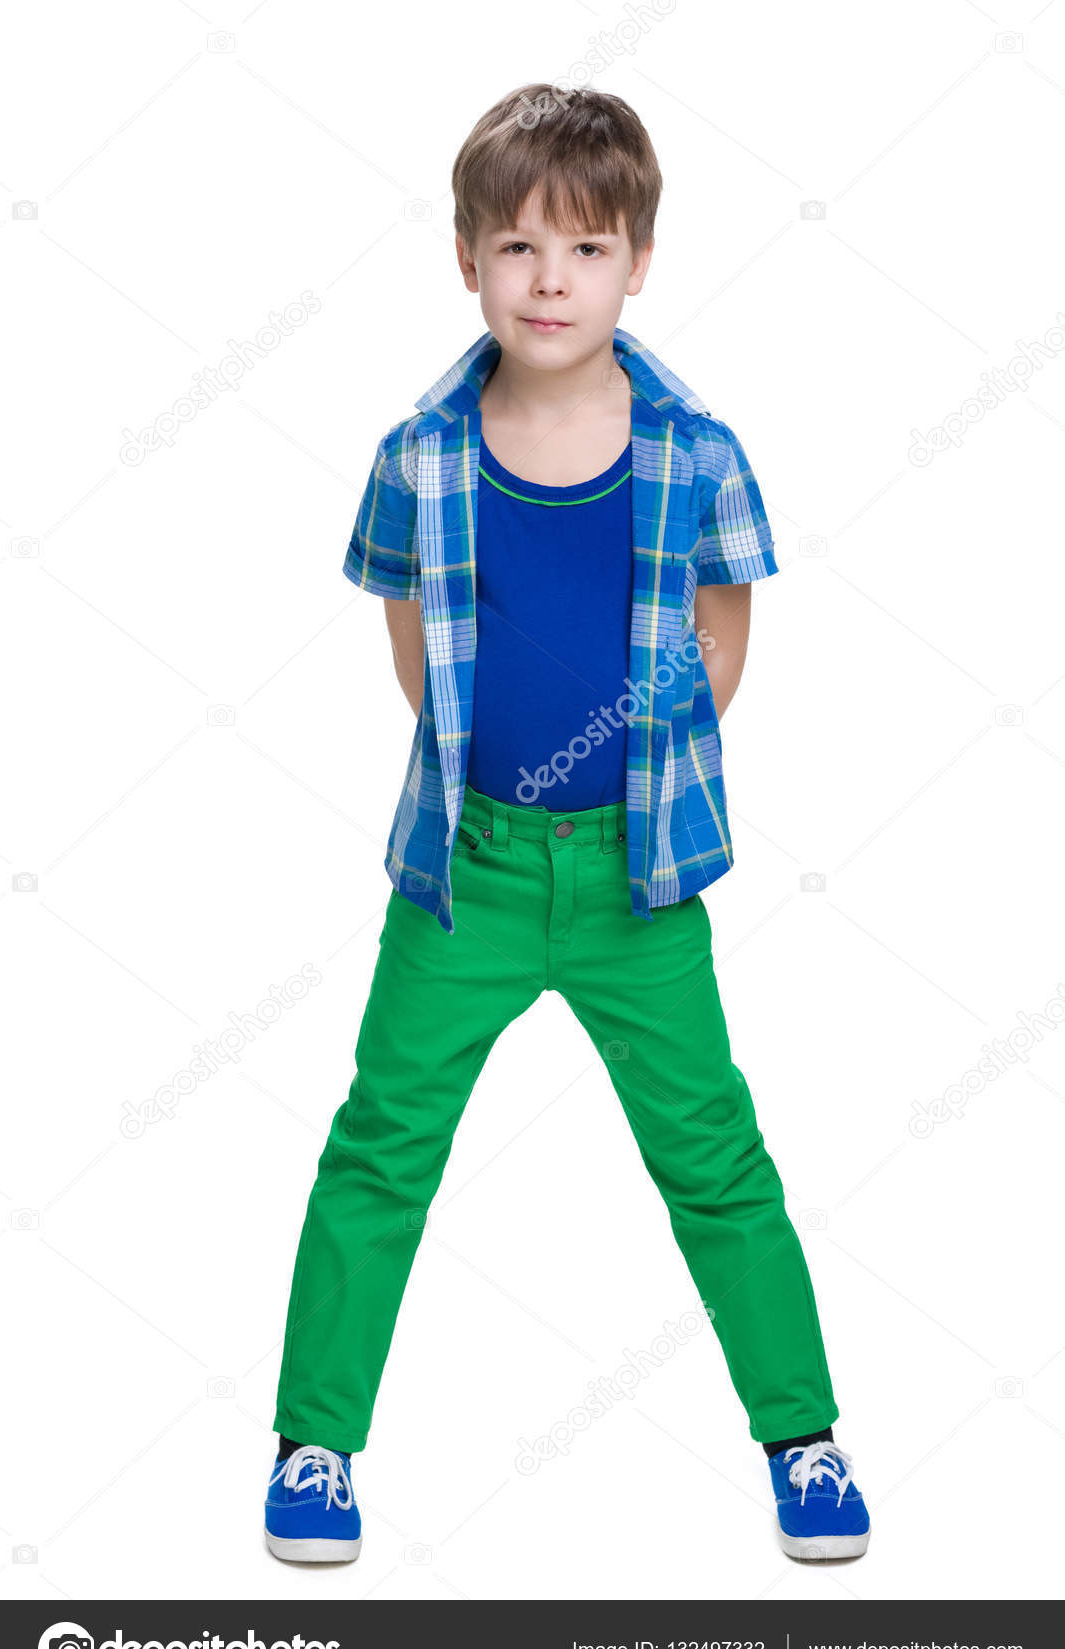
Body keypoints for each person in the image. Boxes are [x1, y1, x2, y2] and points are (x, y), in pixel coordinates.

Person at [264, 83, 870, 1566]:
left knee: (715, 1154)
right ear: (468, 257)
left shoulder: (697, 450)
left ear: (637, 264)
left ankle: (805, 1436)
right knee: (380, 1147)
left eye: (587, 248)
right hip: (461, 881)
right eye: (520, 246)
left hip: (635, 882)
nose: (552, 279)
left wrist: (631, 777)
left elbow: (719, 645)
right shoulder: (420, 454)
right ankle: (314, 1446)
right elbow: (415, 651)